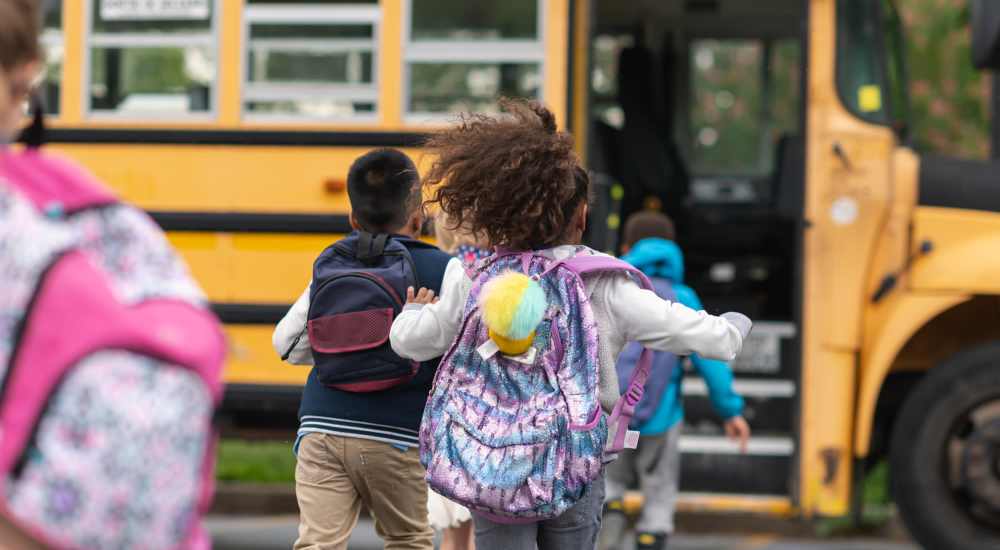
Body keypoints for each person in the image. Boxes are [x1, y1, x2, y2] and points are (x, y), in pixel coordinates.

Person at [388, 99, 752, 550]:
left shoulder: (474, 277)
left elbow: (411, 343)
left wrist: (409, 315)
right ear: (581, 215)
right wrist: (733, 329)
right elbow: (687, 329)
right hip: (575, 460)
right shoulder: (605, 282)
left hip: (492, 461)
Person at [273, 148, 450, 550]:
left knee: (318, 542)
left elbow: (286, 344)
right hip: (398, 432)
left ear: (353, 219)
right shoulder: (444, 268)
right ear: (418, 218)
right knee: (407, 539)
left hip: (320, 426)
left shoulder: (332, 263)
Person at [599, 211, 751, 550]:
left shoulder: (613, 291)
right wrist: (730, 411)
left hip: (612, 413)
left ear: (626, 247)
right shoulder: (682, 297)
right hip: (661, 417)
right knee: (659, 487)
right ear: (673, 251)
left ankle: (612, 509)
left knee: (610, 479)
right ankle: (652, 532)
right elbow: (712, 364)